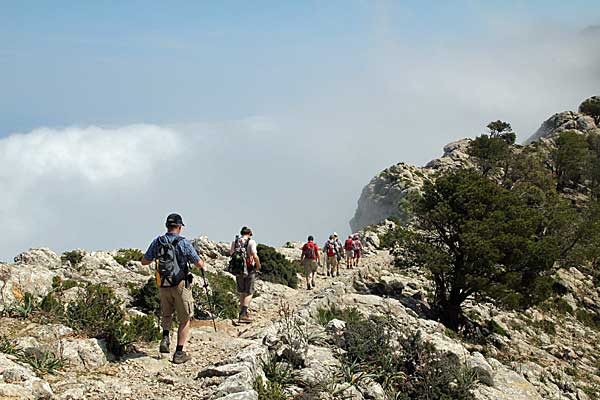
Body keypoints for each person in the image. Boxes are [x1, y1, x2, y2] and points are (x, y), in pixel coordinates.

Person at [142, 213, 204, 364]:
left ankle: (165, 337)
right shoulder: (184, 243)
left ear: (167, 226)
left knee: (166, 314)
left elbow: (144, 261)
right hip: (180, 285)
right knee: (184, 319)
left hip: (163, 284)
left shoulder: (158, 241)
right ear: (179, 227)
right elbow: (198, 264)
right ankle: (179, 353)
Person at [229, 226, 261, 323]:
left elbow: (231, 253)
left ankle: (241, 313)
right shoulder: (251, 242)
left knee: (242, 291)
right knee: (249, 292)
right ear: (250, 233)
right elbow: (254, 255)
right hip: (249, 269)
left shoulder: (235, 241)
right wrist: (258, 265)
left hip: (238, 269)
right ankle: (243, 313)